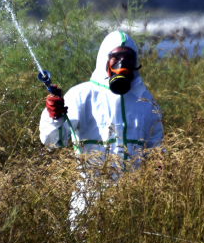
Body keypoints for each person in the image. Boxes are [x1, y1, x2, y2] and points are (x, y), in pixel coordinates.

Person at [39, 30, 163, 223]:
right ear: (105, 59)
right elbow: (53, 141)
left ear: (135, 62)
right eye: (116, 57)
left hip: (133, 205)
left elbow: (156, 152)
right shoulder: (81, 95)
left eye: (127, 57)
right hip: (88, 200)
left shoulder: (146, 102)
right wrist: (54, 116)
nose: (122, 63)